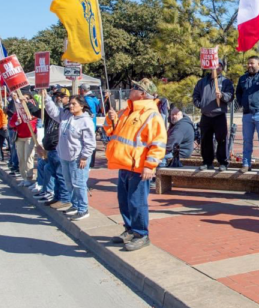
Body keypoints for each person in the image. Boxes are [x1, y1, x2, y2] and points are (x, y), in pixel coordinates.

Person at [105, 78, 167, 252]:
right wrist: (111, 120)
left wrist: (150, 165)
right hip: (125, 164)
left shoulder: (151, 114)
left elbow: (158, 142)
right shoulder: (128, 110)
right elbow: (112, 131)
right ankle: (130, 229)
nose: (130, 90)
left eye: (134, 88)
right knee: (124, 200)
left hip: (139, 167)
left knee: (137, 202)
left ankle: (141, 234)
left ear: (142, 94)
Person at [44, 93, 96, 221]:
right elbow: (53, 111)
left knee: (79, 184)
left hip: (78, 158)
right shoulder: (66, 116)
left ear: (82, 106)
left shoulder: (85, 121)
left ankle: (83, 209)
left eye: (74, 104)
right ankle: (75, 205)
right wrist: (45, 97)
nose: (71, 106)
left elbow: (90, 142)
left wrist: (84, 157)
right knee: (69, 183)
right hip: (64, 156)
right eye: (70, 103)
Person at [193, 60, 234, 171]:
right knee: (205, 139)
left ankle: (223, 162)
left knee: (222, 139)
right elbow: (195, 95)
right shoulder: (202, 82)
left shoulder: (226, 82)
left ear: (222, 68)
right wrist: (200, 105)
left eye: (220, 66)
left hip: (219, 114)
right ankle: (207, 162)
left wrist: (222, 95)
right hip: (206, 115)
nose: (217, 68)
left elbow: (230, 96)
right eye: (215, 66)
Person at [32, 88, 69, 207]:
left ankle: (64, 198)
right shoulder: (50, 112)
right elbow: (36, 111)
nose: (58, 98)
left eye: (61, 96)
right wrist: (21, 101)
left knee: (60, 175)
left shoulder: (65, 114)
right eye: (56, 96)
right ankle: (55, 195)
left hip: (58, 148)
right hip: (50, 148)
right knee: (50, 170)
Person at [9, 94, 39, 189]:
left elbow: (35, 120)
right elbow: (11, 123)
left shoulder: (32, 112)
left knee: (28, 157)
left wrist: (29, 119)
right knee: (21, 158)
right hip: (20, 137)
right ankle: (24, 177)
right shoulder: (17, 113)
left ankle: (29, 178)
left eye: (25, 98)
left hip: (30, 137)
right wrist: (17, 122)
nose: (22, 100)